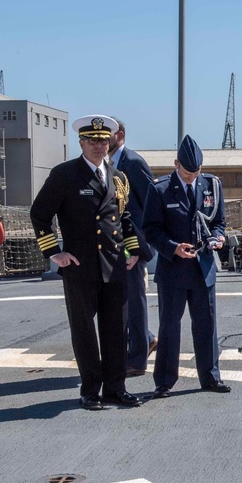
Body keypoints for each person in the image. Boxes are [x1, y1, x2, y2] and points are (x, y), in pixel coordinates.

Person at [30, 115, 145, 410]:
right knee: (84, 331)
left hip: (115, 264)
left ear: (110, 141)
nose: (98, 145)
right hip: (80, 267)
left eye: (103, 140)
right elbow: (40, 214)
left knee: (116, 330)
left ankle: (116, 389)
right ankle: (91, 390)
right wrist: (54, 253)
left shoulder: (118, 177)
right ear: (81, 142)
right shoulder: (65, 175)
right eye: (92, 140)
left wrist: (132, 253)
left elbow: (125, 218)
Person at [142, 135, 230, 398]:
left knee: (207, 325)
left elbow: (219, 222)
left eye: (196, 172)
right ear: (176, 164)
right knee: (169, 327)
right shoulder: (159, 189)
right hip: (173, 271)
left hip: (203, 269)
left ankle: (211, 377)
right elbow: (150, 230)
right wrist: (172, 248)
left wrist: (219, 238)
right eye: (187, 172)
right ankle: (164, 382)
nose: (192, 177)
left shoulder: (212, 185)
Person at [108, 118, 158, 376]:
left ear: (121, 134)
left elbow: (151, 204)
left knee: (135, 301)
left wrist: (140, 246)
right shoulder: (104, 166)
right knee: (119, 300)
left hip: (132, 244)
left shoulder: (134, 163)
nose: (104, 138)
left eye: (109, 133)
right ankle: (147, 338)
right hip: (111, 244)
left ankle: (137, 360)